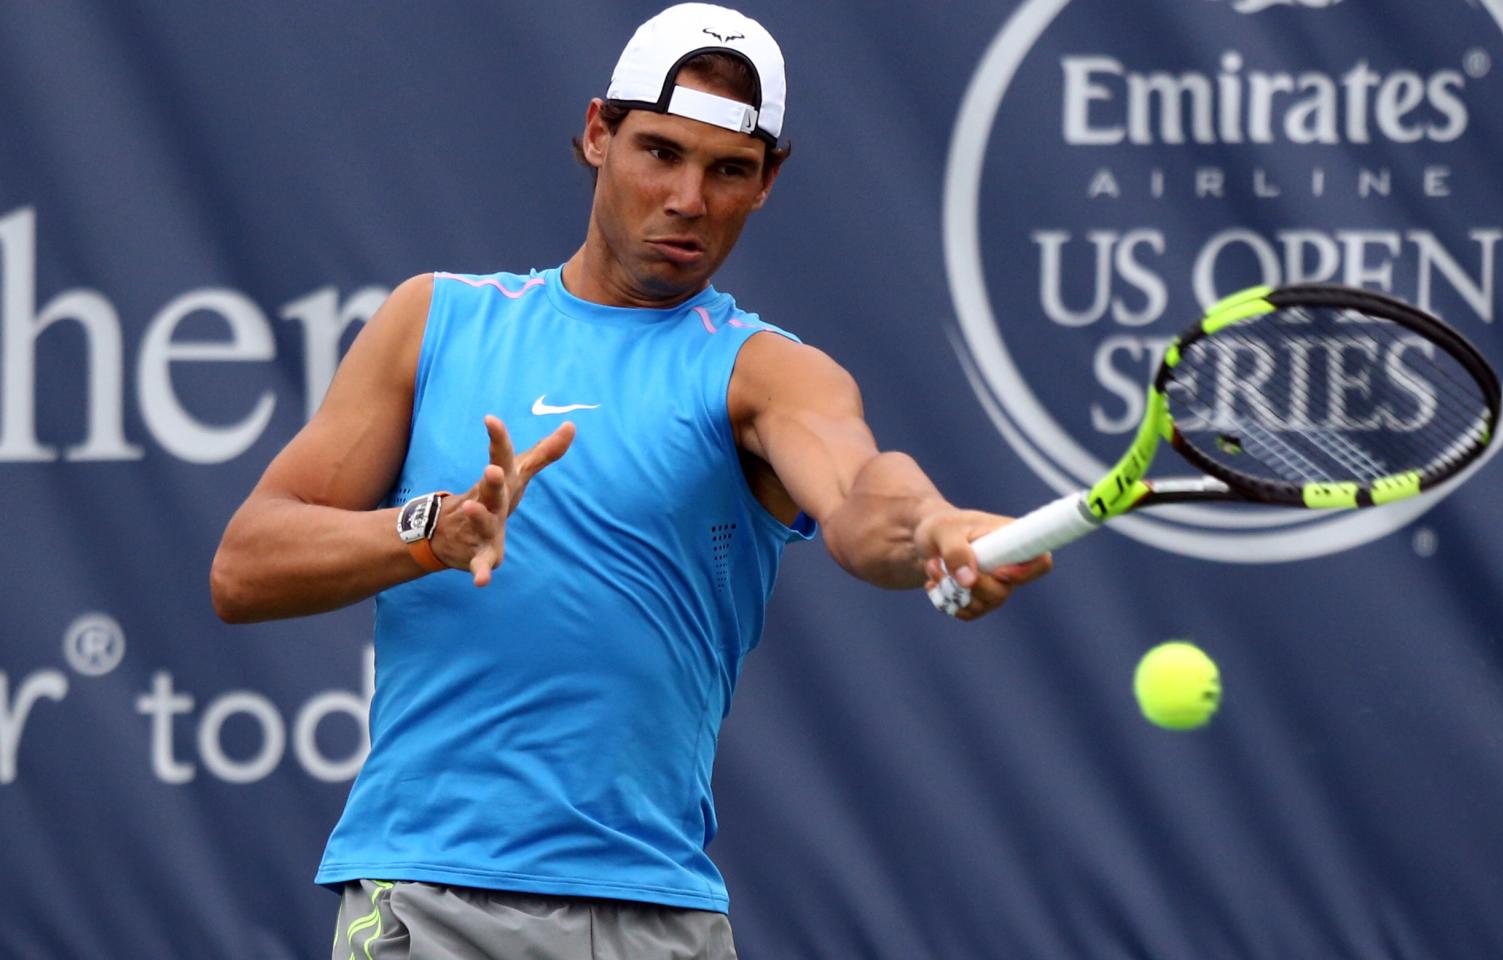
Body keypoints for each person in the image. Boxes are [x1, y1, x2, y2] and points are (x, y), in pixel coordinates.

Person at [209, 4, 1050, 957]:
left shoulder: (765, 373)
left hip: (660, 917)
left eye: (728, 169)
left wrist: (931, 527)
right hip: (429, 896)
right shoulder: (431, 320)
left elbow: (864, 501)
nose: (688, 198)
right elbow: (244, 568)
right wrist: (426, 532)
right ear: (599, 132)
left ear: (767, 181)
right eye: (660, 152)